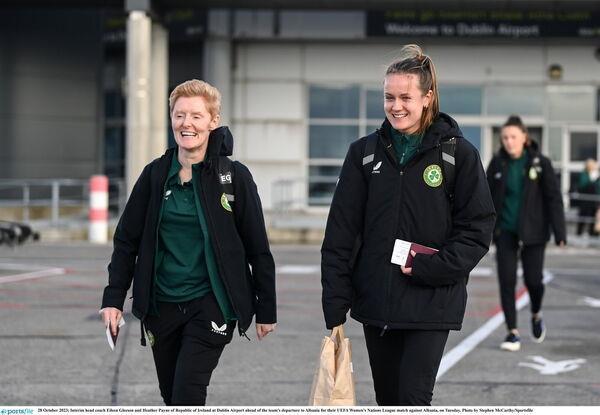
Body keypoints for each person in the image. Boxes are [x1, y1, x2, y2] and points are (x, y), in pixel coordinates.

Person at [321, 45, 495, 406]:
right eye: (388, 97)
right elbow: (341, 231)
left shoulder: (457, 154)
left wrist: (432, 268)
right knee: (388, 400)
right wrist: (336, 299)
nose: (396, 106)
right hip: (377, 301)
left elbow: (477, 228)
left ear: (428, 98)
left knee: (414, 399)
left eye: (405, 97)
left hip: (431, 300)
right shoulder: (364, 154)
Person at [100, 79, 277, 405]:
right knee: (171, 397)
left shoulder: (234, 177)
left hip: (212, 304)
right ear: (171, 120)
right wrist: (113, 298)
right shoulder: (154, 175)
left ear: (213, 121)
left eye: (196, 116)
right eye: (180, 115)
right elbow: (127, 240)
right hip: (161, 305)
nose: (187, 124)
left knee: (187, 395)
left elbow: (258, 248)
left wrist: (266, 308)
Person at [486, 115, 566, 352]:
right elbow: (485, 198)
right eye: (505, 138)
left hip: (534, 232)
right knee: (506, 281)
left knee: (534, 281)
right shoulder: (497, 164)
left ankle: (536, 312)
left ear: (524, 138)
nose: (509, 142)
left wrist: (559, 231)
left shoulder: (540, 163)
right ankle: (512, 332)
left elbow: (553, 198)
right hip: (506, 232)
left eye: (513, 137)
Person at [575, 158, 600, 236]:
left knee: (594, 221)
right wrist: (591, 180)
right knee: (582, 220)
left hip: (595, 203)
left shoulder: (597, 175)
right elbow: (581, 186)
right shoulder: (584, 174)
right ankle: (579, 235)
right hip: (585, 203)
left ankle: (593, 235)